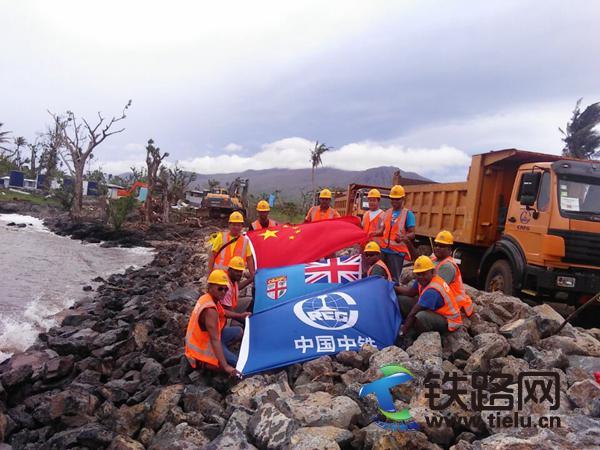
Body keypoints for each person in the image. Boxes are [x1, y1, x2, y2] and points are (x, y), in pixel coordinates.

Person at [184, 269, 251, 376]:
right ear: (210, 287)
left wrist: (240, 315)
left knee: (239, 331)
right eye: (220, 289)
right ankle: (205, 364)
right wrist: (225, 366)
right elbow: (214, 340)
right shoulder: (210, 310)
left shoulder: (208, 298)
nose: (223, 292)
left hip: (212, 338)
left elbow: (223, 312)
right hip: (203, 348)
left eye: (225, 289)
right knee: (238, 364)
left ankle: (223, 353)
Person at [397, 256, 462, 336]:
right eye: (418, 274)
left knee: (421, 317)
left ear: (432, 272)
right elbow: (411, 292)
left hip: (448, 320)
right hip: (435, 311)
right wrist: (393, 288)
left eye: (424, 274)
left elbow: (413, 312)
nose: (421, 277)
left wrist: (403, 331)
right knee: (401, 300)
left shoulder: (433, 290)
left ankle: (415, 335)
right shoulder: (422, 281)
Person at [373, 185, 416, 283]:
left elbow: (412, 233)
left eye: (397, 199)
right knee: (380, 275)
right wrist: (371, 234)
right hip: (384, 250)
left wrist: (404, 237)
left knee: (394, 279)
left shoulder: (408, 214)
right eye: (392, 199)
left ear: (403, 199)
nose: (394, 201)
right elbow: (382, 230)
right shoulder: (387, 213)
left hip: (396, 253)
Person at [432, 230, 474, 317]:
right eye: (436, 245)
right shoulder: (434, 259)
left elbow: (435, 291)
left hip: (456, 308)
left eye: (442, 246)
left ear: (449, 249)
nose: (437, 248)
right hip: (447, 304)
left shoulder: (448, 266)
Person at [209, 211, 255, 279]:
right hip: (219, 277)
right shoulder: (221, 237)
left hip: (234, 279)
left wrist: (253, 276)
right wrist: (210, 275)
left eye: (239, 225)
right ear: (229, 225)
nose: (236, 227)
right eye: (234, 224)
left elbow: (249, 259)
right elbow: (212, 256)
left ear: (242, 226)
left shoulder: (245, 242)